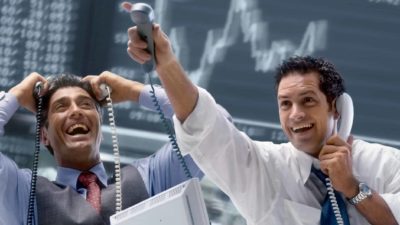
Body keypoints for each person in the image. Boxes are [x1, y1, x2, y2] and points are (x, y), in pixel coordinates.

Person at [125, 6, 400, 225]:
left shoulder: (388, 165)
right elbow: (203, 123)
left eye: (307, 100)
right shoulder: (264, 166)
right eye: (285, 104)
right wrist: (166, 62)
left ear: (337, 107)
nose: (295, 114)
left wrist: (353, 189)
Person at [0, 71, 204, 225]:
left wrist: (134, 90)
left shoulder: (150, 177)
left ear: (101, 131)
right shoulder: (26, 194)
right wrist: (15, 95)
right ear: (45, 136)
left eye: (86, 105)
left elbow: (211, 129)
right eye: (61, 107)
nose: (76, 111)